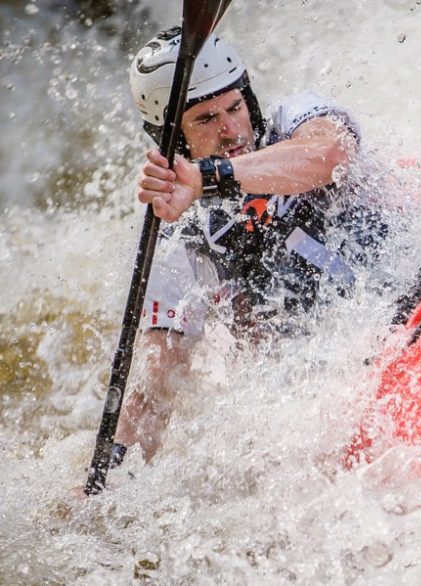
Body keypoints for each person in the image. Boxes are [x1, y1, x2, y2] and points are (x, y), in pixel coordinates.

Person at [113, 27, 385, 466]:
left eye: (235, 107)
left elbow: (330, 155)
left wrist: (210, 177)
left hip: (408, 289)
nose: (229, 129)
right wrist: (113, 468)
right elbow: (155, 387)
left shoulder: (295, 118)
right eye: (204, 119)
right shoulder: (179, 242)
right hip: (333, 373)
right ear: (172, 140)